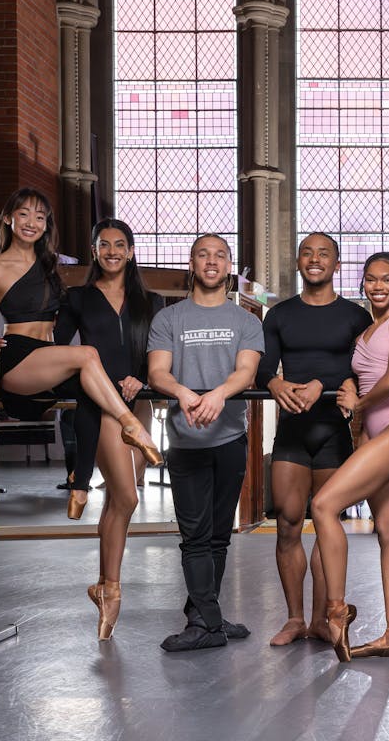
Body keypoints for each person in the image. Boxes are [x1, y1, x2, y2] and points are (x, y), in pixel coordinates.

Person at [0, 189, 162, 523]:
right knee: (87, 355)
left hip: (45, 357)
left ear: (47, 224)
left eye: (40, 217)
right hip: (18, 357)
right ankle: (132, 426)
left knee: (92, 388)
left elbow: (57, 328)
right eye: (24, 214)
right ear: (8, 218)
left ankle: (80, 485)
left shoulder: (50, 265)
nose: (31, 223)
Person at [148, 234, 264, 652]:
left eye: (219, 255)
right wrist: (182, 392)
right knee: (195, 537)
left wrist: (218, 395)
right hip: (186, 441)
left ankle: (206, 618)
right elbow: (157, 372)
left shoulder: (246, 321)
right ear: (192, 264)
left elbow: (246, 372)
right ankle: (206, 623)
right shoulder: (169, 318)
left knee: (218, 537)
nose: (211, 261)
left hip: (229, 438)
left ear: (229, 266)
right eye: (203, 254)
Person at [258, 232, 371, 646]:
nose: (315, 259)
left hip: (332, 432)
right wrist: (274, 383)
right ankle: (294, 619)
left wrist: (325, 382)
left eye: (324, 253)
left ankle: (323, 619)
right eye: (307, 252)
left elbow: (363, 366)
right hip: (292, 431)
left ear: (336, 264)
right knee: (288, 523)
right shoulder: (280, 314)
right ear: (298, 262)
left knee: (327, 524)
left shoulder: (356, 316)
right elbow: (263, 366)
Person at [309, 252, 389, 662]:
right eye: (372, 279)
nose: (379, 286)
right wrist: (355, 406)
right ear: (363, 283)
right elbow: (362, 377)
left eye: (387, 279)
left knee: (323, 505)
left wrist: (357, 403)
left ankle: (336, 611)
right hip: (375, 432)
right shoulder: (366, 330)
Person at [54, 219, 165, 640]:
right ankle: (113, 590)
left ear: (131, 251)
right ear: (94, 251)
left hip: (140, 405)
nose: (113, 251)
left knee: (118, 503)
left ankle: (102, 585)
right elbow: (57, 350)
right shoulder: (78, 298)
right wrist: (9, 350)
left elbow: (159, 353)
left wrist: (143, 377)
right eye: (104, 245)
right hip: (102, 407)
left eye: (120, 245)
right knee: (127, 497)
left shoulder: (151, 301)